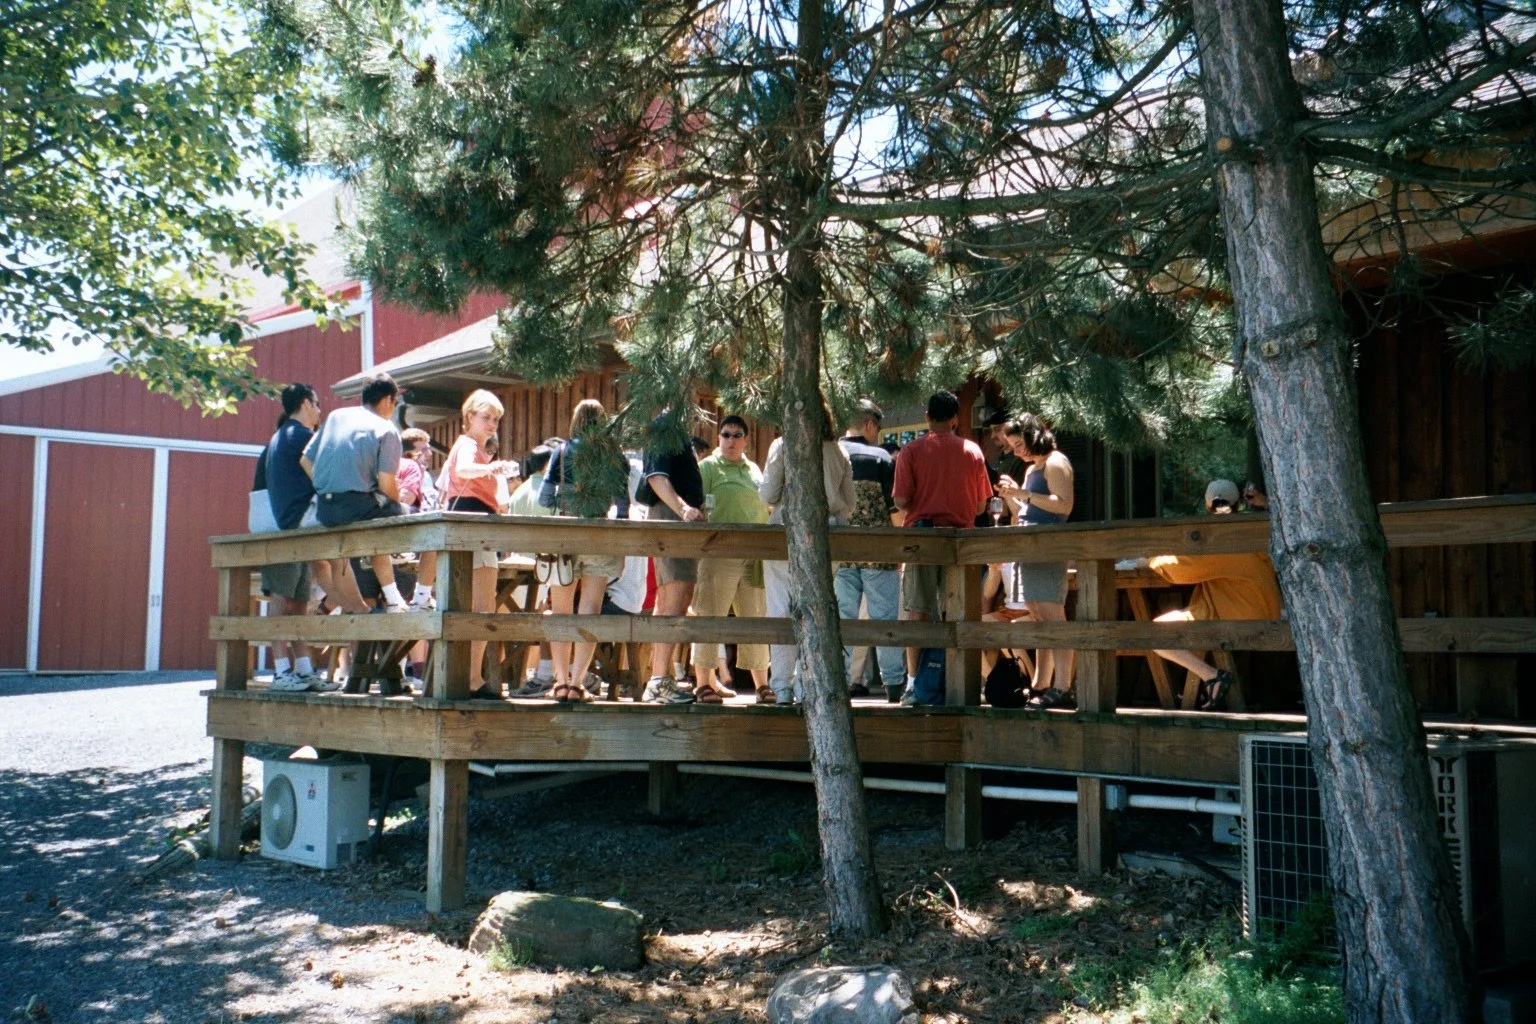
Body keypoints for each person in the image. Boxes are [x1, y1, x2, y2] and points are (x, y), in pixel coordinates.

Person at [1143, 479, 1283, 711]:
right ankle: (1205, 683)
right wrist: (1265, 504)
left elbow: (1177, 569)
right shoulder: (1255, 532)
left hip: (1239, 620)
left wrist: (1150, 557)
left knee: (1153, 634)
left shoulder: (1220, 540)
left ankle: (1212, 676)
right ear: (1239, 505)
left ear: (1207, 508)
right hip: (1266, 613)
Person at [892, 391, 992, 690]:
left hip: (922, 538)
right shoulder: (972, 451)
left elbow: (900, 501)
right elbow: (981, 506)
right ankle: (960, 680)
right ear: (955, 419)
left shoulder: (911, 451)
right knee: (960, 611)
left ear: (926, 418)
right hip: (961, 540)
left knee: (917, 610)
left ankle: (913, 682)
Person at [759, 398, 856, 704]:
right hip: (829, 535)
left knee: (780, 607)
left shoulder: (782, 444)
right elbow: (849, 503)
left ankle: (782, 685)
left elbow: (768, 492)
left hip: (785, 532)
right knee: (817, 607)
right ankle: (808, 683)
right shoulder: (838, 450)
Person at [539, 399, 630, 701]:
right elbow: (623, 507)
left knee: (560, 610)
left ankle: (560, 681)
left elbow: (544, 499)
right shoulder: (614, 455)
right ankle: (578, 683)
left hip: (565, 536)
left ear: (576, 420)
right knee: (590, 609)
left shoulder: (562, 451)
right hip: (599, 534)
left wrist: (567, 502)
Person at [301, 372, 414, 612]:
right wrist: (398, 499)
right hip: (357, 507)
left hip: (325, 509)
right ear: (387, 400)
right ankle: (398, 588)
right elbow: (386, 484)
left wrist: (329, 484)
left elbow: (305, 461)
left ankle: (391, 598)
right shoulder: (387, 429)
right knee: (402, 510)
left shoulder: (335, 416)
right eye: (394, 404)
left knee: (378, 515)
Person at [259, 383, 340, 692]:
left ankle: (303, 669)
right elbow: (326, 476)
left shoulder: (281, 437)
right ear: (306, 403)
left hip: (287, 526)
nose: (320, 411)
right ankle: (281, 673)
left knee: (297, 600)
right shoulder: (302, 436)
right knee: (282, 599)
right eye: (317, 404)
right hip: (291, 527)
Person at [440, 389, 521, 698]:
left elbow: (499, 503)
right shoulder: (467, 446)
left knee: (480, 607)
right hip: (472, 529)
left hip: (478, 529)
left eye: (496, 420)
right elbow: (461, 469)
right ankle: (471, 678)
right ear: (470, 416)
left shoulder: (480, 451)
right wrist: (491, 469)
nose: (492, 425)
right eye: (486, 418)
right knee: (481, 607)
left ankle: (470, 676)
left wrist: (495, 474)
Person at [996, 414, 1076, 706]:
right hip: (1027, 546)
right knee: (1037, 614)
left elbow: (1063, 505)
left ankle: (1063, 685)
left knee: (1052, 614)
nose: (1016, 451)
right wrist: (1010, 496)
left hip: (1047, 546)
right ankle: (1042, 682)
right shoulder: (1032, 470)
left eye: (1018, 444)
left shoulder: (1056, 462)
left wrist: (1024, 493)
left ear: (1032, 437)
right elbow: (1025, 511)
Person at [690, 415, 771, 702]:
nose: (731, 440)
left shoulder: (754, 470)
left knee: (755, 618)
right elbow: (694, 503)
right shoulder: (708, 467)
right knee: (710, 615)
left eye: (737, 435)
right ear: (718, 438)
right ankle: (703, 683)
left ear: (746, 440)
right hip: (719, 551)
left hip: (754, 553)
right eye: (726, 434)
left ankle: (762, 684)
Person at [836, 399, 906, 702]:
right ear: (869, 425)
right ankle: (893, 685)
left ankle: (838, 680)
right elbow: (896, 512)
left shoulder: (831, 454)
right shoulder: (881, 458)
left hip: (840, 551)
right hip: (879, 551)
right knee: (884, 621)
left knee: (842, 619)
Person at [636, 412, 708, 704]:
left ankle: (660, 679)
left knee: (671, 601)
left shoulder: (673, 427)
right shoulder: (664, 425)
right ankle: (658, 683)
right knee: (674, 599)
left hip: (677, 521)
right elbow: (656, 477)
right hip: (673, 521)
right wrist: (683, 510)